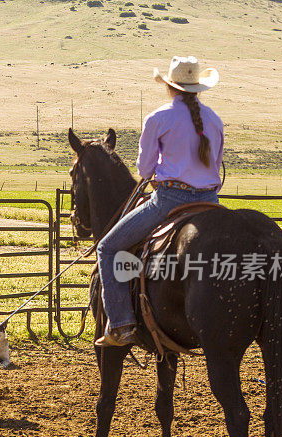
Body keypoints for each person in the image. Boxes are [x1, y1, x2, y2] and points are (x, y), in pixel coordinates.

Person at [95, 56, 224, 347]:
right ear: (197, 88)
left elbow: (144, 169)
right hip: (211, 202)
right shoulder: (215, 119)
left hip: (169, 199)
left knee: (108, 247)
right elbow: (216, 164)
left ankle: (121, 325)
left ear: (170, 87)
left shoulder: (158, 118)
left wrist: (158, 174)